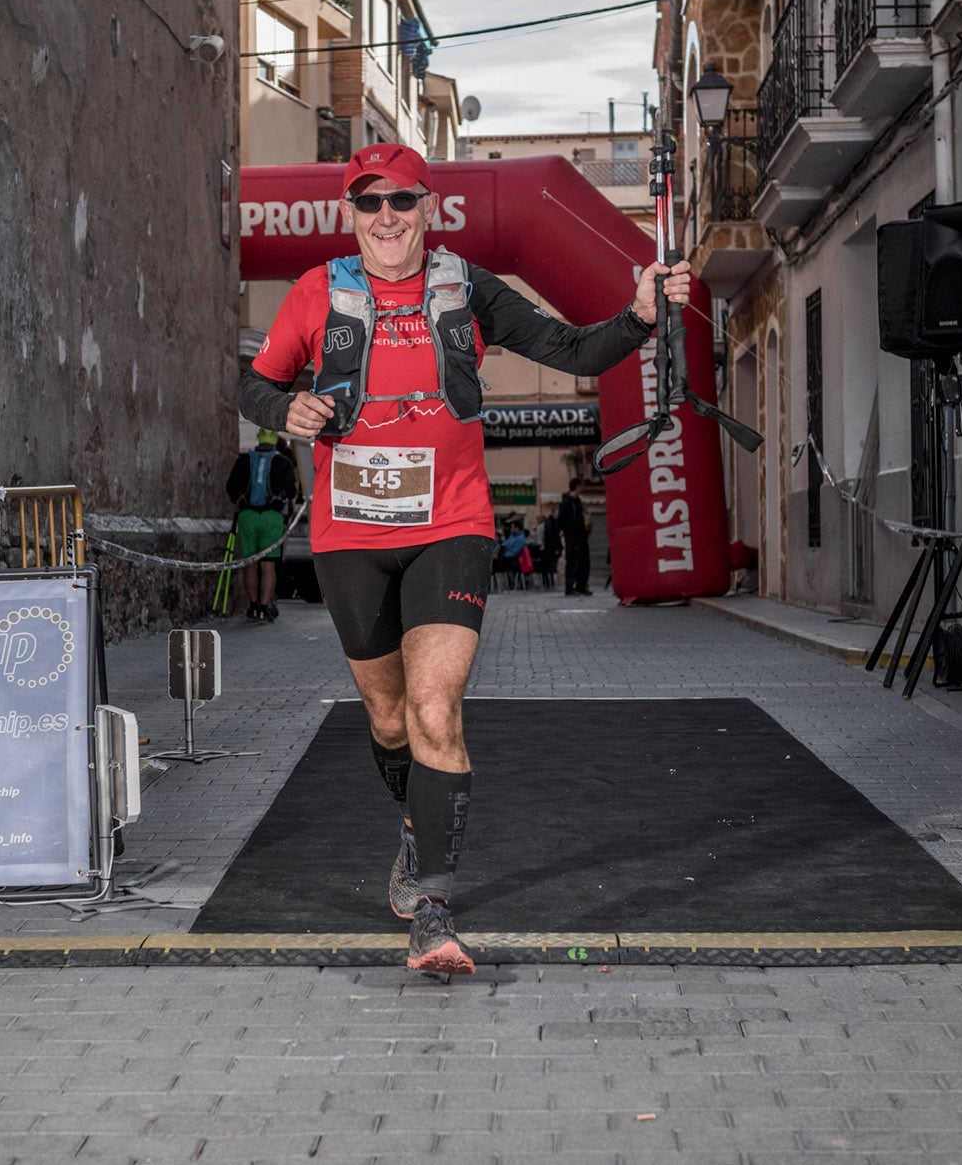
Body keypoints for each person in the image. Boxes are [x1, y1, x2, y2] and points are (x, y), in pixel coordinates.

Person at [239, 143, 692, 974]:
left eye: (402, 201)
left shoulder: (469, 288)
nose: (387, 217)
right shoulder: (317, 292)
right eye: (370, 202)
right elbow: (254, 383)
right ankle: (416, 829)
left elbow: (573, 350)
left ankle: (434, 912)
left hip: (452, 523)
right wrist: (288, 406)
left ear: (427, 206)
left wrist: (641, 317)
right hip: (353, 534)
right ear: (350, 212)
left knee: (436, 711)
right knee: (387, 718)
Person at [225, 428, 299, 621]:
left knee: (249, 564)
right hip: (271, 518)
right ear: (275, 439)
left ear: (258, 438)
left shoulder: (243, 460)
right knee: (268, 566)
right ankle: (265, 608)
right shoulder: (283, 462)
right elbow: (291, 492)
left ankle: (253, 606)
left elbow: (231, 487)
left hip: (247, 516)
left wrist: (240, 502)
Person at [558, 477, 592, 596]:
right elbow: (561, 520)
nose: (583, 488)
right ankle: (570, 587)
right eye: (581, 485)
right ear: (577, 486)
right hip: (572, 536)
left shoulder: (578, 501)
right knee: (572, 562)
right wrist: (564, 532)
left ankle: (581, 586)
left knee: (584, 562)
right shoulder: (567, 502)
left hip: (582, 536)